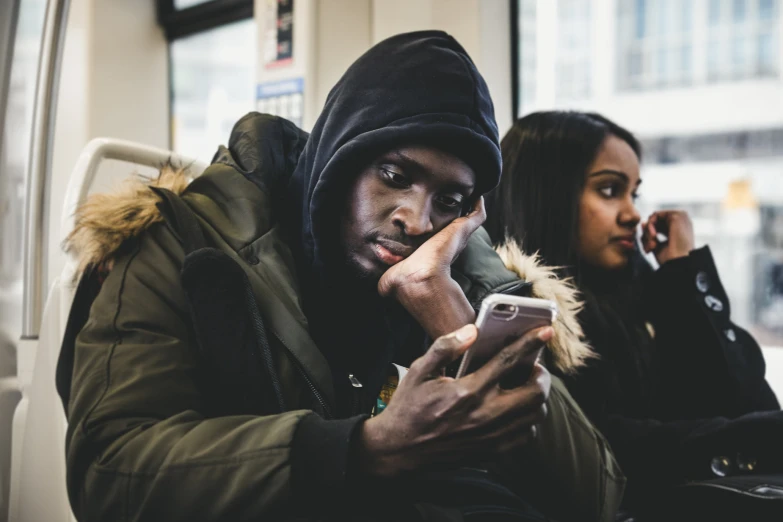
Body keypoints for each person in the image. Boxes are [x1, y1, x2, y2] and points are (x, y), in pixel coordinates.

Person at [56, 34, 624, 522]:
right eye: (394, 174)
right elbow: (110, 472)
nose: (416, 219)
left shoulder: (457, 277)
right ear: (338, 158)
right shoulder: (180, 244)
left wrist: (454, 319)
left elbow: (598, 498)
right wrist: (362, 450)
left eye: (449, 200)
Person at [485, 110, 783, 516]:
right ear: (547, 193)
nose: (633, 214)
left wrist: (681, 271)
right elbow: (609, 445)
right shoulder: (528, 310)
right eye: (609, 190)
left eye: (633, 194)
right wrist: (749, 435)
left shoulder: (638, 295)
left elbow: (745, 397)